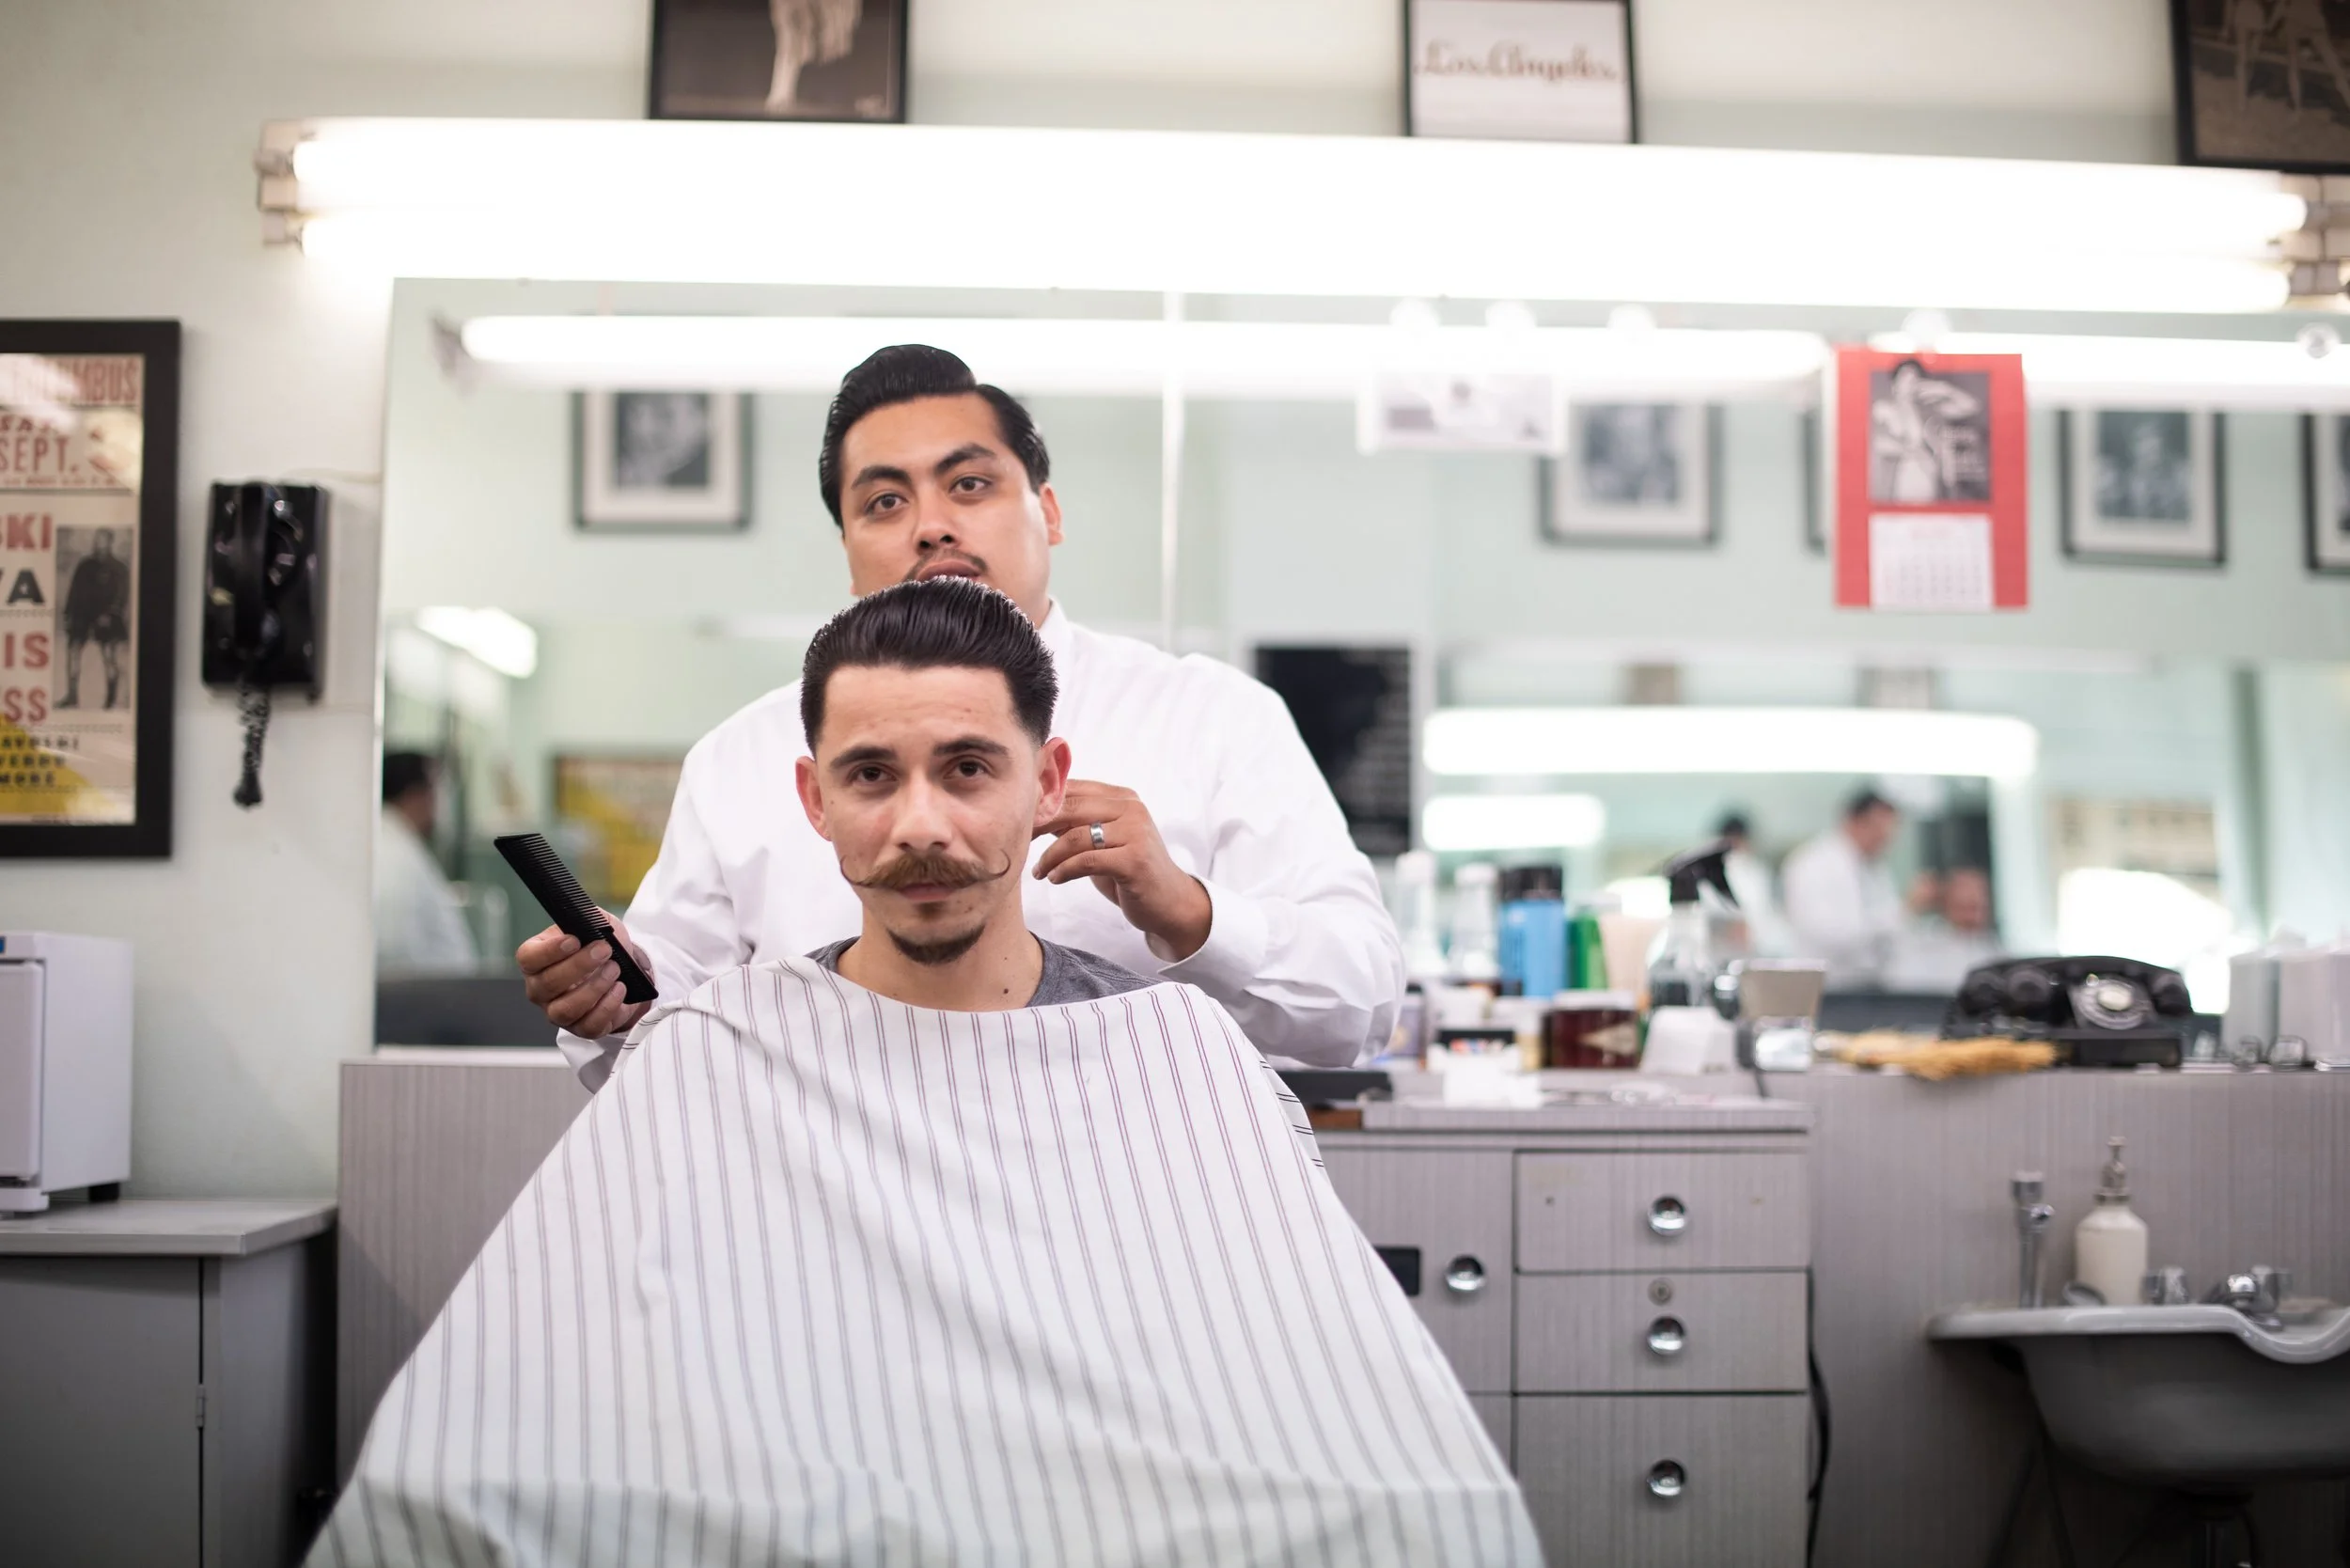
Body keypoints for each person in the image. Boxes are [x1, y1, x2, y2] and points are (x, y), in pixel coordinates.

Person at [316, 580, 1539, 1567]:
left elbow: (1356, 1433)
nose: (920, 826)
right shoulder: (711, 1048)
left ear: (1045, 782)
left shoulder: (1178, 1049)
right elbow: (483, 1452)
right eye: (871, 776)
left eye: (967, 768)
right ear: (813, 799)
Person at [521, 345, 1403, 1088]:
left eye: (970, 484)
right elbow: (662, 1042)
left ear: (1048, 512)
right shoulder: (740, 759)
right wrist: (608, 999)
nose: (932, 526)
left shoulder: (1213, 720)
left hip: (1121, 1197)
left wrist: (1188, 913)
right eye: (884, 502)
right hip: (830, 1200)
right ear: (848, 548)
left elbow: (1360, 1011)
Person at [1780, 788, 1932, 986]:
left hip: (1871, 983)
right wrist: (1903, 910)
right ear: (1853, 821)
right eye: (1879, 830)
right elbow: (1831, 935)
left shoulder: (1875, 868)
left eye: (1889, 832)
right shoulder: (1812, 864)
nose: (1885, 839)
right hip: (1828, 986)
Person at [374, 751, 479, 975]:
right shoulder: (392, 855)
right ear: (416, 794)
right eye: (439, 788)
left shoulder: (399, 843)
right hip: (424, 992)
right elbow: (393, 947)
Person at [1887, 865, 2005, 992]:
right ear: (1946, 903)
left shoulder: (1996, 954)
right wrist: (1911, 907)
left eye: (1976, 907)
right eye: (1964, 907)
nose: (1972, 917)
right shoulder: (1922, 946)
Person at [57, 528, 131, 710]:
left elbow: (122, 595)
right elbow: (74, 591)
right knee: (73, 653)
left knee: (109, 657)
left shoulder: (119, 568)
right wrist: (68, 614)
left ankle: (110, 700)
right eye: (97, 539)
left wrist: (110, 614)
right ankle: (72, 697)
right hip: (82, 617)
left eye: (103, 539)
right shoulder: (85, 565)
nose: (99, 543)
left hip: (106, 618)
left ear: (110, 542)